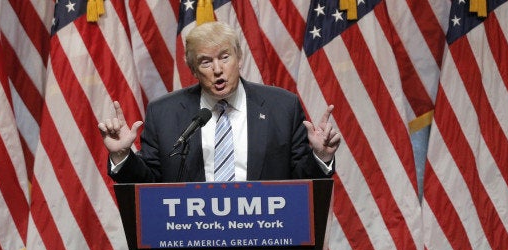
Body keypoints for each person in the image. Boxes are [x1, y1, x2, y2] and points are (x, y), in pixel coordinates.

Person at [98, 21, 340, 183]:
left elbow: (301, 182)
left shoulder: (282, 107)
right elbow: (149, 183)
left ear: (239, 57)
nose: (217, 69)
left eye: (225, 57)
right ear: (193, 69)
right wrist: (122, 156)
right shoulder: (164, 113)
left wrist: (320, 156)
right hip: (193, 243)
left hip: (265, 240)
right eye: (205, 62)